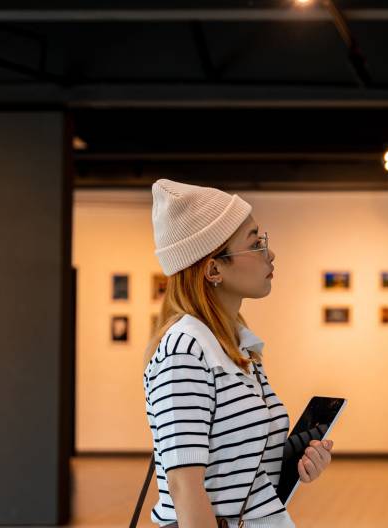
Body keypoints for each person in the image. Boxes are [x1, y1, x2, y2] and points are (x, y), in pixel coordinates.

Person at [142, 179, 333, 528]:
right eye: (255, 244)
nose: (269, 253)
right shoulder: (185, 350)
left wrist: (296, 466)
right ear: (213, 269)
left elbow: (241, 472)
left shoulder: (236, 345)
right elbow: (186, 490)